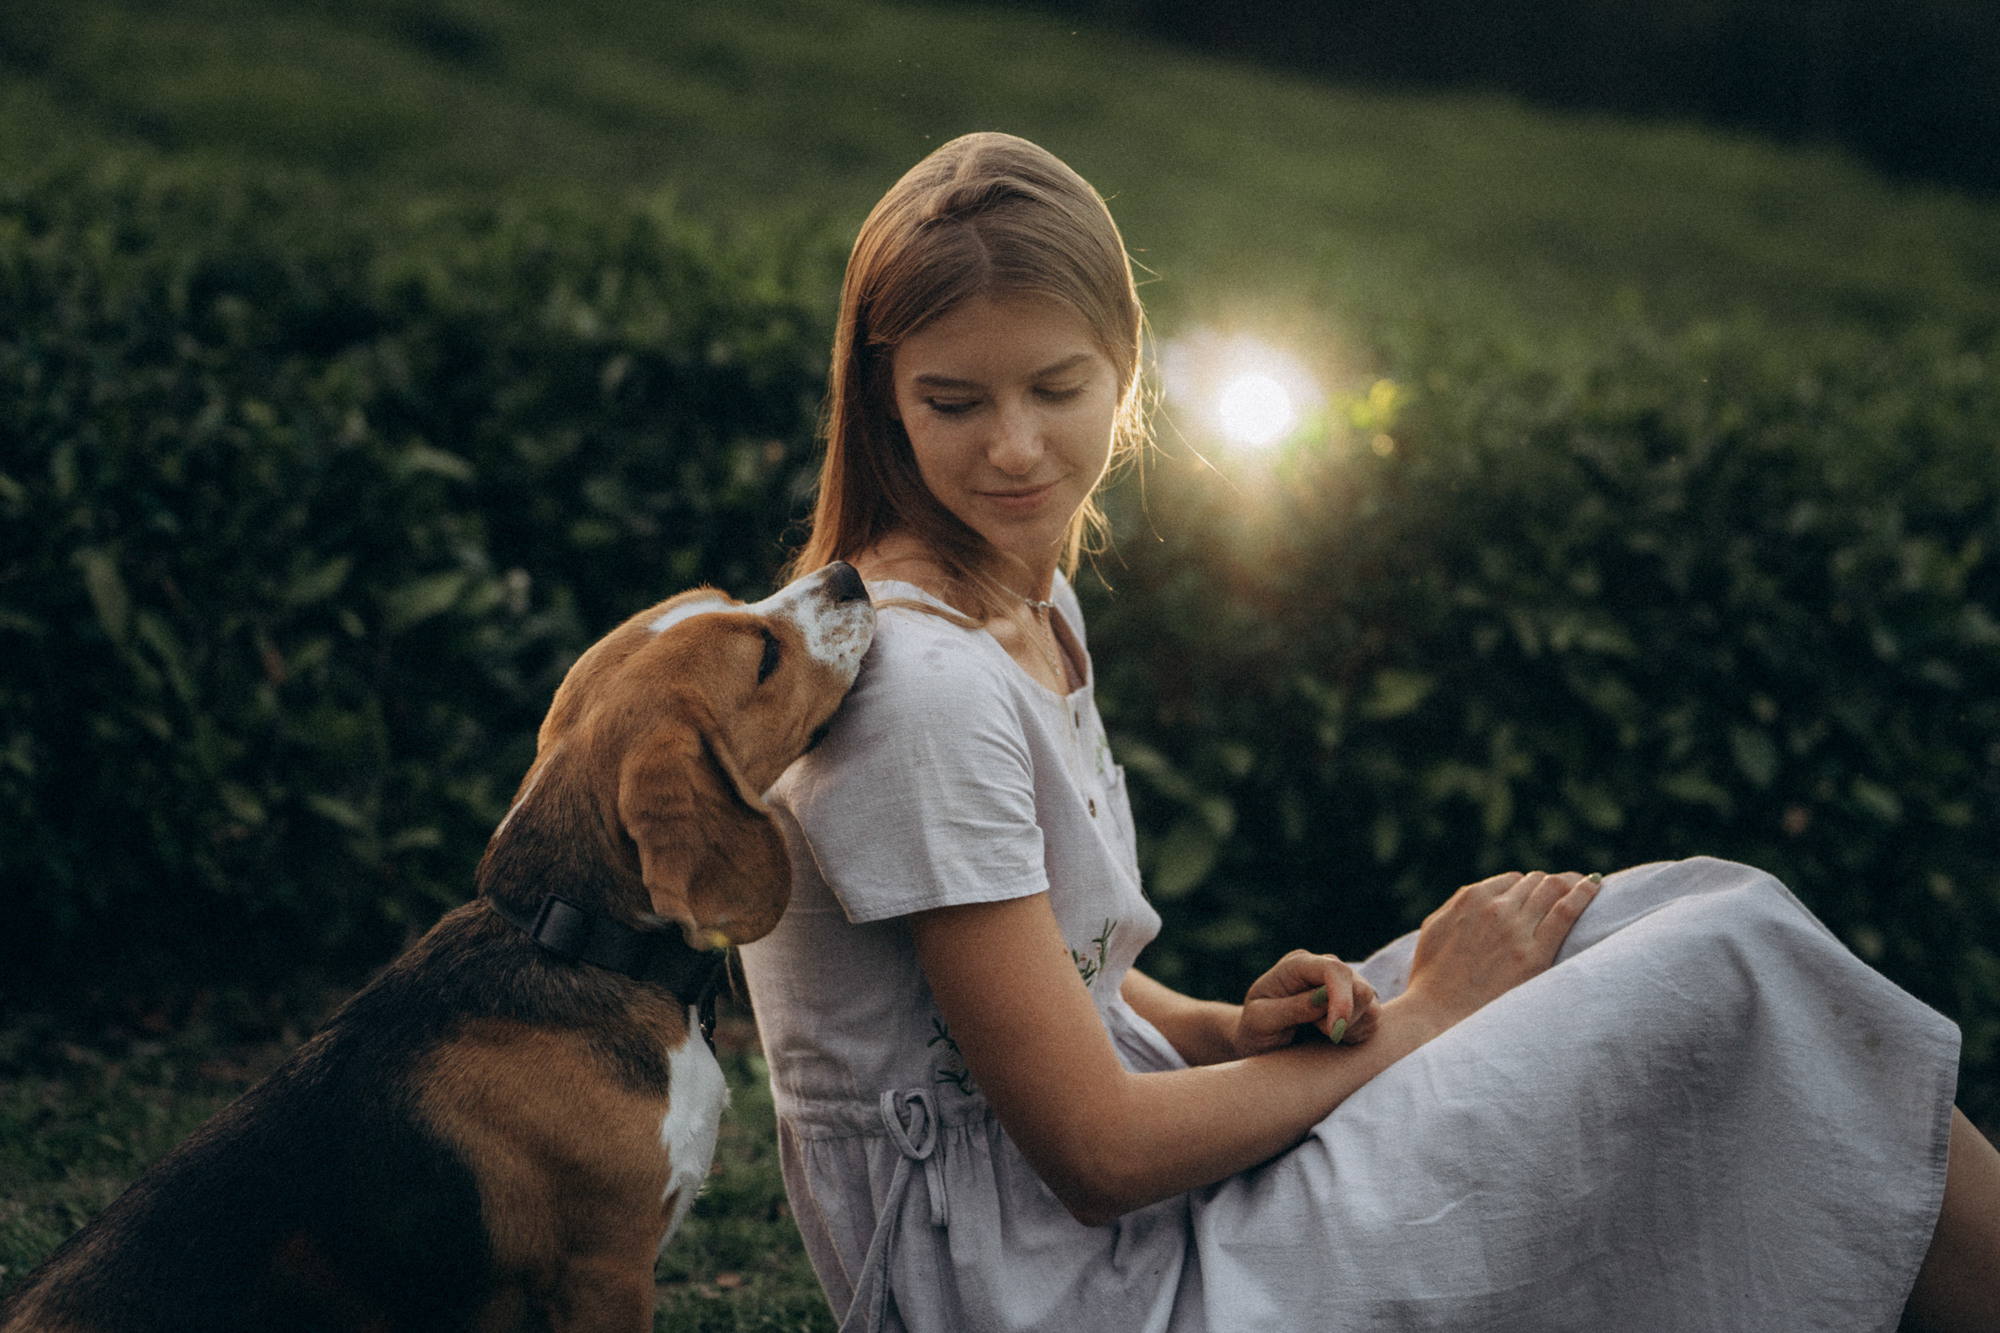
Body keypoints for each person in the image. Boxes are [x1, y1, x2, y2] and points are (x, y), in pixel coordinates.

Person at [737, 131, 2000, 1333]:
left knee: (1659, 924)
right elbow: (1097, 1154)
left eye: (1055, 387)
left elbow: (1051, 974)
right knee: (1729, 965)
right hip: (1073, 1290)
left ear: (1126, 360)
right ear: (882, 398)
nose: (1015, 447)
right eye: (954, 401)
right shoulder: (921, 689)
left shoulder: (1031, 603)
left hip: (1116, 1227)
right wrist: (1418, 1020)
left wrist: (1227, 1030)